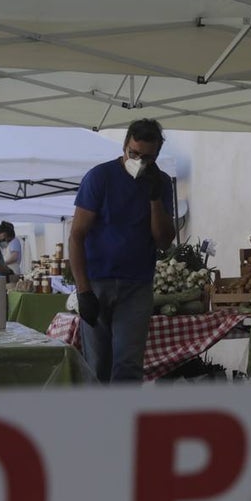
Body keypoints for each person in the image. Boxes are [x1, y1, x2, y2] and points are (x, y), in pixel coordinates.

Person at [69, 118, 176, 382]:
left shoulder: (160, 183)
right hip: (97, 282)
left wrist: (154, 200)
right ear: (125, 146)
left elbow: (164, 240)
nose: (139, 161)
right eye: (134, 153)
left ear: (158, 155)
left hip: (137, 285)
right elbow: (76, 235)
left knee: (128, 364)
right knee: (97, 365)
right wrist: (83, 290)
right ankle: (96, 420)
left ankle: (123, 419)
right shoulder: (100, 177)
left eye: (147, 157)